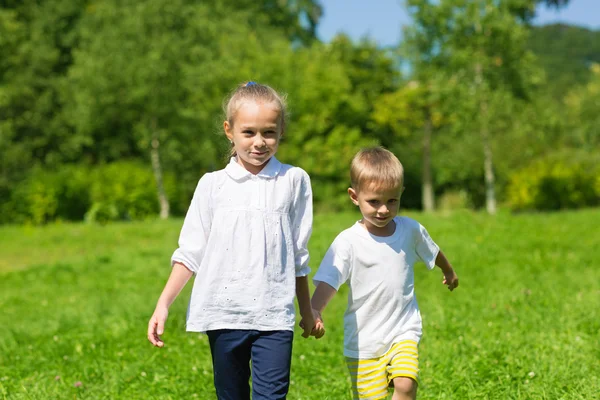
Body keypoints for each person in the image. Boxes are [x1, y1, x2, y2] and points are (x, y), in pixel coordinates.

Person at [147, 82, 319, 400]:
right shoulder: (213, 185)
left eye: (268, 132)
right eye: (248, 132)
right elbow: (190, 252)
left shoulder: (294, 181)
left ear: (282, 130)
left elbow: (298, 254)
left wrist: (306, 311)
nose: (259, 142)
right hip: (223, 314)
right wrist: (163, 304)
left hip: (274, 317)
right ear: (229, 131)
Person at [309, 147, 459, 400]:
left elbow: (433, 251)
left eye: (392, 201)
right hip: (364, 342)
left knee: (406, 384)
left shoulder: (410, 230)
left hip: (403, 330)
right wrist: (314, 310)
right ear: (354, 196)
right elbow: (329, 280)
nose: (383, 210)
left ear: (400, 194)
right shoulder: (348, 242)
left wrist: (449, 271)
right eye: (374, 201)